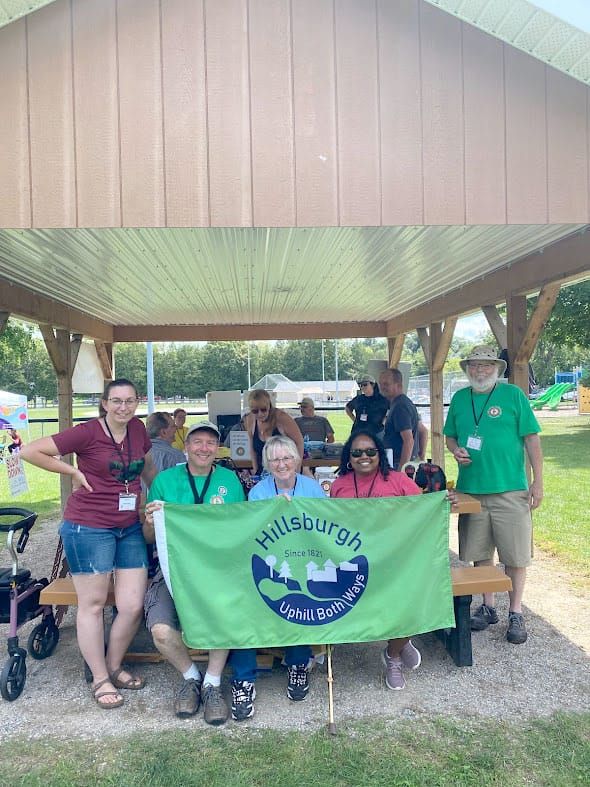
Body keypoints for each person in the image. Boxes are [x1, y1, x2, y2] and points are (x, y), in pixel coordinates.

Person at [20, 379, 157, 709]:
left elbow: (147, 465)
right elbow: (29, 450)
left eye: (129, 401)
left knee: (132, 604)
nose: (123, 407)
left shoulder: (138, 429)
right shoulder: (88, 432)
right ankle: (99, 678)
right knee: (93, 604)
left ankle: (113, 664)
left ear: (136, 402)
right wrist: (71, 471)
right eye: (116, 401)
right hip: (89, 527)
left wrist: (157, 491)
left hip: (129, 528)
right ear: (104, 402)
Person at [143, 420, 246, 725]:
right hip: (174, 569)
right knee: (160, 631)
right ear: (185, 447)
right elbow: (149, 537)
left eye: (210, 443)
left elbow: (240, 525)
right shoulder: (164, 481)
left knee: (224, 617)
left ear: (218, 448)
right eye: (197, 442)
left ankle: (212, 683)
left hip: (217, 569)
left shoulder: (229, 480)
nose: (204, 448)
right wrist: (150, 523)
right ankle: (191, 676)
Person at [444, 345, 543, 645]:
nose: (480, 370)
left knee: (516, 555)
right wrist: (454, 449)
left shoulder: (513, 395)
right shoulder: (461, 398)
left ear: (497, 369)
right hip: (471, 491)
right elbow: (450, 434)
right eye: (474, 365)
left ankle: (515, 612)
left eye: (486, 365)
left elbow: (532, 438)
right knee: (480, 553)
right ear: (467, 369)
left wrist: (538, 481)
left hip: (510, 489)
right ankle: (488, 607)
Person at [230, 435, 326, 720]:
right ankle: (243, 679)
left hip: (304, 559)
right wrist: (270, 509)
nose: (282, 464)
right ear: (267, 464)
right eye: (275, 459)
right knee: (244, 604)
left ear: (296, 460)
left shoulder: (311, 488)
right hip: (268, 561)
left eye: (287, 458)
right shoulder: (259, 491)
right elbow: (252, 532)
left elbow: (323, 528)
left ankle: (298, 663)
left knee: (300, 601)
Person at [329, 429, 425, 690]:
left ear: (380, 454)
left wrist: (441, 501)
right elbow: (332, 527)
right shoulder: (340, 485)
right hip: (355, 563)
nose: (364, 456)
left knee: (410, 604)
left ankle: (393, 655)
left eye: (371, 451)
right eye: (357, 452)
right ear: (349, 457)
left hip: (394, 561)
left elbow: (422, 511)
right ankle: (401, 643)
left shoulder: (398, 480)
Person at [244, 389, 304, 476]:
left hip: (285, 470)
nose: (260, 414)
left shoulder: (282, 418)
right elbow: (252, 449)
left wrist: (296, 471)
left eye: (263, 409)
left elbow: (299, 443)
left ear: (270, 406)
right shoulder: (249, 419)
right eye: (255, 411)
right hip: (263, 472)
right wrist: (256, 471)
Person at [379, 368, 419, 469]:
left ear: (399, 385)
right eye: (381, 384)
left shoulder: (400, 406)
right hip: (398, 460)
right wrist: (420, 454)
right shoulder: (400, 403)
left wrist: (402, 469)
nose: (382, 387)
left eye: (386, 384)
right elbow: (422, 430)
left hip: (398, 462)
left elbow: (409, 440)